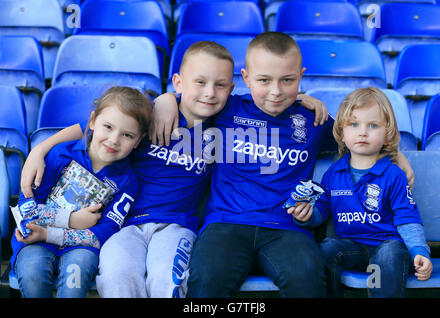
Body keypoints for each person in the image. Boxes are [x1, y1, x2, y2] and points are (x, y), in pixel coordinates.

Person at [19, 40, 327, 298]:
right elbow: (94, 126)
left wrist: (299, 96)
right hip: (125, 223)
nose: (209, 93)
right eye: (200, 84)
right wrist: (39, 149)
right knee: (116, 278)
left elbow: (279, 101)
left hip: (176, 225)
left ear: (231, 88)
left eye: (219, 86)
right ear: (178, 83)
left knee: (167, 281)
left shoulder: (225, 116)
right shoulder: (152, 115)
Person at [152, 32, 416, 298]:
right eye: (264, 80)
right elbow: (192, 97)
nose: (276, 91)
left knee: (309, 279)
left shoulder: (314, 119)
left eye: (287, 80)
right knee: (206, 284)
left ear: (300, 77)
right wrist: (165, 100)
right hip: (227, 223)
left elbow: (359, 137)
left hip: (287, 228)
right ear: (245, 78)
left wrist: (394, 154)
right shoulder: (226, 107)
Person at [290, 87, 433, 297]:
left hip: (386, 245)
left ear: (387, 134)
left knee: (389, 255)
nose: (362, 132)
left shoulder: (393, 174)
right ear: (341, 132)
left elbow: (407, 218)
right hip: (351, 246)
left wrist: (419, 251)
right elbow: (322, 207)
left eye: (373, 125)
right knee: (326, 250)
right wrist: (307, 215)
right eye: (354, 124)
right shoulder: (334, 172)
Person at [11, 86, 151, 297]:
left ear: (138, 141)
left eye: (127, 135)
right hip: (35, 238)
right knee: (33, 276)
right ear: (93, 121)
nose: (114, 140)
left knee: (74, 284)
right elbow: (27, 205)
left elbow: (106, 231)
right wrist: (70, 219)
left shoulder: (128, 182)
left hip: (81, 247)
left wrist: (53, 234)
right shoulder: (60, 154)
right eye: (108, 127)